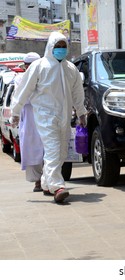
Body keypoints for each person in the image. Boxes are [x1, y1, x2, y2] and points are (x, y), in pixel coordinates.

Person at [10, 31, 87, 203]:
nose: (60, 50)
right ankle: (57, 186)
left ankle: (46, 182)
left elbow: (77, 93)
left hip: (64, 116)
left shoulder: (70, 68)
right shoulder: (40, 66)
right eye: (57, 47)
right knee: (52, 148)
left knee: (61, 152)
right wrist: (16, 111)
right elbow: (24, 90)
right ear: (50, 47)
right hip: (45, 117)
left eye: (63, 47)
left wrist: (81, 112)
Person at [12, 52, 44, 192]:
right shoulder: (20, 79)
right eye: (27, 65)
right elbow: (22, 98)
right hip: (29, 119)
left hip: (45, 116)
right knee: (31, 149)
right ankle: (37, 181)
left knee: (48, 149)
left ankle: (48, 179)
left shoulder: (45, 77)